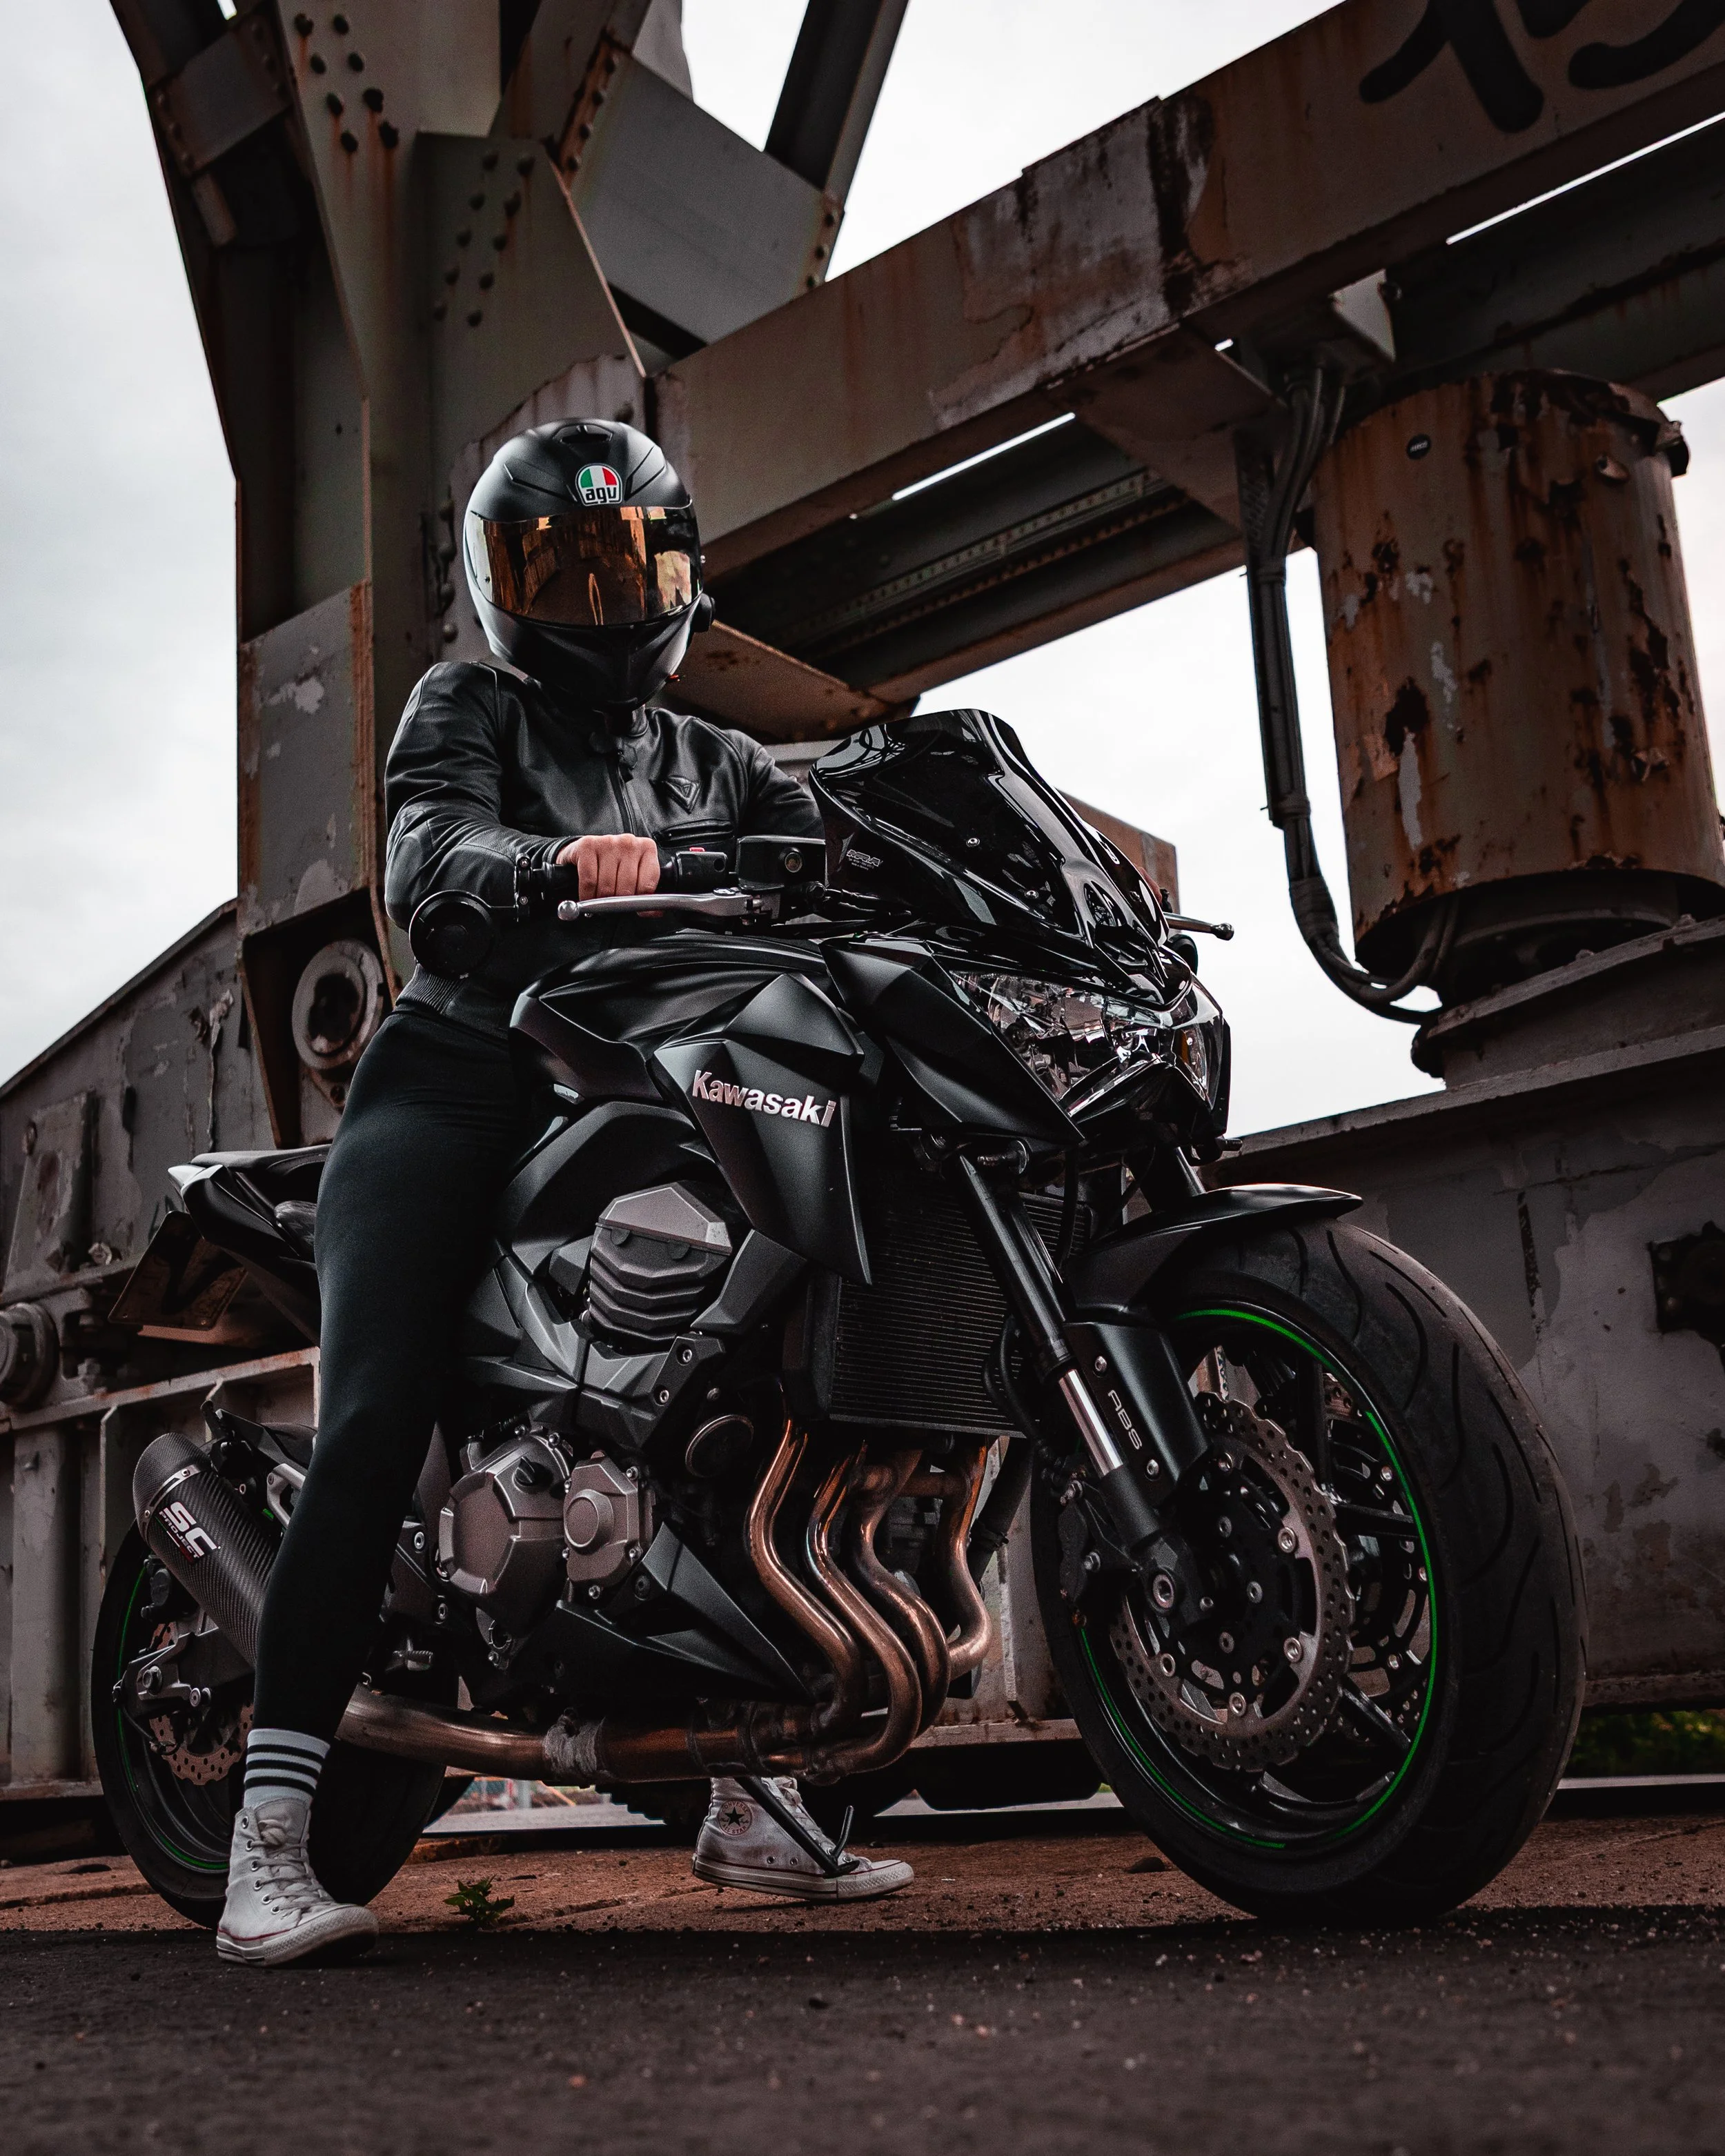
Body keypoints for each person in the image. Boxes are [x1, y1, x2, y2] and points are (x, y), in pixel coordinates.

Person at [217, 420, 912, 1966]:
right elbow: (429, 848)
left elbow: (833, 853)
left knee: (738, 1397)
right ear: (502, 582)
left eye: (631, 563)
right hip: (460, 1076)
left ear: (679, 573)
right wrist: (540, 867)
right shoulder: (466, 703)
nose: (602, 596)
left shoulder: (720, 755)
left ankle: (743, 1792)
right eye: (562, 565)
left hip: (647, 1074)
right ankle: (266, 1838)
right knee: (377, 1407)